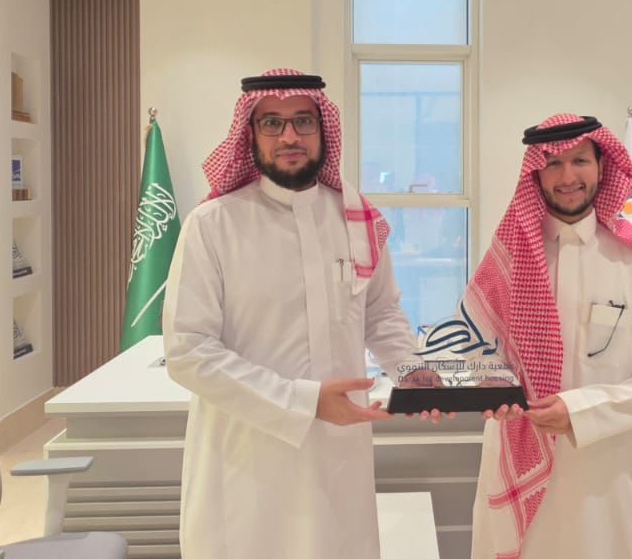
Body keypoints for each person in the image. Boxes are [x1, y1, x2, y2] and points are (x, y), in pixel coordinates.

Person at [163, 68, 442, 559]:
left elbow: (379, 312)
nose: (289, 136)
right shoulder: (212, 225)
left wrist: (410, 370)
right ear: (250, 134)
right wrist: (304, 401)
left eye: (303, 121)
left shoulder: (357, 219)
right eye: (272, 123)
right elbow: (188, 351)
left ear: (322, 129)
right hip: (247, 457)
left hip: (338, 453)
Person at [467, 112, 632, 558]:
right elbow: (475, 346)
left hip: (608, 477)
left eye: (580, 161)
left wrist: (579, 411)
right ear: (535, 172)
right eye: (553, 163)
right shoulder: (508, 255)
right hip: (517, 463)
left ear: (602, 165)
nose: (567, 176)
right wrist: (487, 379)